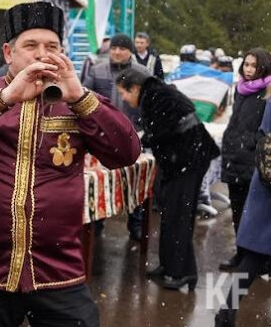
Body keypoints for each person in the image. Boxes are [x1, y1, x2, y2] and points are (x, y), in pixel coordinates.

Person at [0, 2, 141, 327]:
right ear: (8, 53)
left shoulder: (77, 99)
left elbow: (125, 151)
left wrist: (80, 97)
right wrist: (5, 97)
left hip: (58, 269)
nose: (42, 54)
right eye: (30, 45)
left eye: (52, 46)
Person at [116, 68, 218, 291]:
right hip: (178, 161)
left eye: (123, 93)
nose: (123, 99)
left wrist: (140, 141)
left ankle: (182, 273)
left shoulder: (157, 95)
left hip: (189, 160)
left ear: (135, 88)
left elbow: (163, 129)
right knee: (168, 213)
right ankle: (168, 265)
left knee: (179, 215)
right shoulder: (154, 94)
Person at [82, 33, 148, 239]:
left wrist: (142, 127)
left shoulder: (141, 72)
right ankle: (97, 222)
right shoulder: (97, 69)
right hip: (101, 135)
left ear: (130, 51)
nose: (117, 52)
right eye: (114, 48)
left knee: (134, 179)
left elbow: (148, 103)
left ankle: (136, 224)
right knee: (100, 180)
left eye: (122, 48)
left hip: (133, 134)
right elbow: (84, 96)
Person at [215, 100, 271, 326]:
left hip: (264, 185)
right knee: (254, 258)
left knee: (254, 256)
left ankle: (225, 312)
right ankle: (225, 312)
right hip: (267, 189)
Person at [219, 48, 271, 270]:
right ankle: (241, 255)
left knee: (253, 215)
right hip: (234, 157)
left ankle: (255, 259)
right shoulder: (241, 89)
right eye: (247, 64)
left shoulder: (267, 92)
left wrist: (250, 144)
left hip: (252, 160)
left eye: (254, 66)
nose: (249, 69)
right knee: (238, 209)